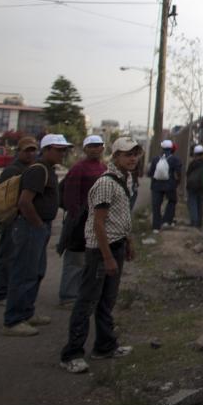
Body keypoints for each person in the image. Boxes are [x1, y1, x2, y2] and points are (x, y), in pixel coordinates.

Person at [59, 136, 140, 374]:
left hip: (116, 244)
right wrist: (107, 257)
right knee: (86, 301)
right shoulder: (106, 183)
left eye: (135, 153)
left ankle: (105, 345)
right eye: (128, 154)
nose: (133, 158)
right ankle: (71, 353)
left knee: (107, 300)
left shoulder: (125, 178)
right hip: (100, 250)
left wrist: (128, 241)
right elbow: (98, 224)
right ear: (115, 157)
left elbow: (120, 217)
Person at [3, 133, 71, 337]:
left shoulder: (48, 170)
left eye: (64, 150)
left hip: (39, 227)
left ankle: (27, 313)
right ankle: (13, 320)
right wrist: (39, 225)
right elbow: (25, 202)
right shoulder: (38, 170)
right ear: (47, 150)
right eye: (59, 150)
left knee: (36, 271)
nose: (62, 154)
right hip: (30, 227)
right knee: (24, 273)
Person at [0, 136, 39, 306]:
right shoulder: (12, 170)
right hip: (12, 219)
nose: (31, 154)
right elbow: (0, 197)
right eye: (27, 151)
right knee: (6, 256)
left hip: (23, 220)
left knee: (17, 259)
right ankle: (0, 293)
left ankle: (9, 290)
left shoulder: (31, 168)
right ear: (19, 152)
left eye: (33, 150)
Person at [56, 135, 107, 307]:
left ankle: (82, 293)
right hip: (79, 221)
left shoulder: (103, 167)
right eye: (91, 146)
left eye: (98, 145)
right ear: (85, 149)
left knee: (89, 260)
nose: (95, 149)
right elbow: (70, 196)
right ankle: (68, 296)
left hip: (96, 221)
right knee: (75, 259)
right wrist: (76, 217)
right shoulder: (79, 168)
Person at [147, 138, 182, 233]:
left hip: (156, 186)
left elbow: (150, 173)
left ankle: (156, 227)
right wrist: (177, 182)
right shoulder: (175, 159)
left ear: (162, 148)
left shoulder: (155, 159)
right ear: (171, 148)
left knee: (156, 206)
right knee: (172, 201)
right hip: (170, 185)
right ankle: (167, 220)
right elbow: (178, 173)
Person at [185, 144, 203, 228]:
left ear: (195, 153)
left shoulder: (193, 163)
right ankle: (199, 223)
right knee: (200, 204)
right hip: (201, 187)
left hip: (192, 186)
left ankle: (194, 222)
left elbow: (188, 174)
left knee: (192, 203)